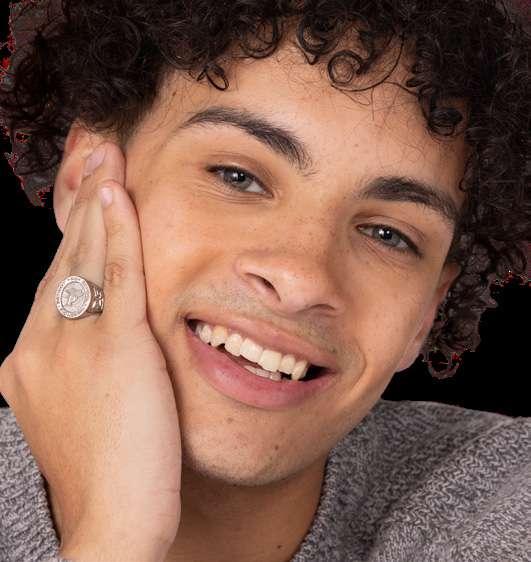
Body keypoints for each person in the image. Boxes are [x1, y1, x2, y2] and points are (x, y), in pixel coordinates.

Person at [0, 0, 529, 561]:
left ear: (426, 310)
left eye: (387, 234)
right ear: (85, 178)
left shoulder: (507, 502)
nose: (301, 280)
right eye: (238, 177)